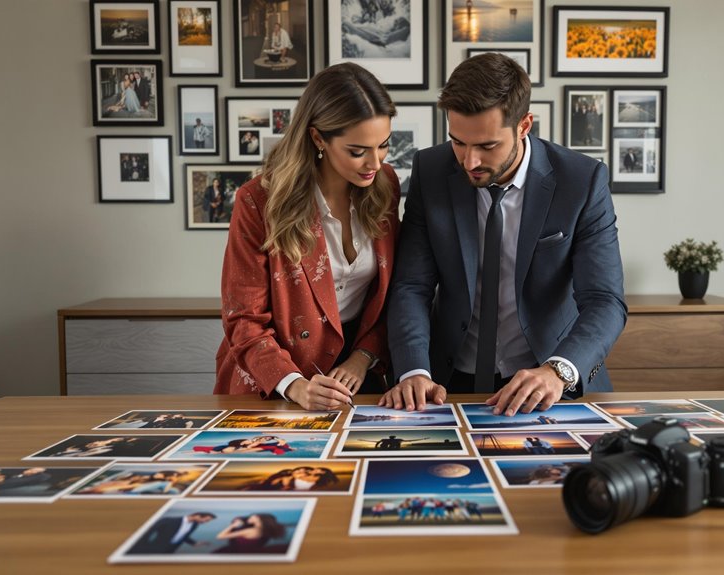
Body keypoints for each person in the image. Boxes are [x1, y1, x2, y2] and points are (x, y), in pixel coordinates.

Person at [380, 53, 626, 417]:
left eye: (486, 145)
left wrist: (559, 370)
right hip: (445, 383)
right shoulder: (431, 171)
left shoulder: (581, 181)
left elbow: (605, 300)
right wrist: (414, 369)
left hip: (550, 382)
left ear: (524, 125)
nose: (469, 161)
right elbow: (411, 286)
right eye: (458, 142)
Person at [215, 63, 401, 411]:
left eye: (384, 146)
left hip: (357, 376)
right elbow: (243, 318)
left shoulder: (385, 185)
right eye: (357, 151)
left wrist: (363, 357)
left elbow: (390, 292)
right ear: (318, 138)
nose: (374, 163)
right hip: (274, 381)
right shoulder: (259, 201)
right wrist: (295, 385)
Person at [128, 512, 217, 554]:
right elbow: (148, 532)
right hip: (154, 548)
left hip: (170, 550)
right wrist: (142, 546)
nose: (205, 522)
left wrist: (194, 543)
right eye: (206, 520)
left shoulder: (194, 525)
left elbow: (184, 535)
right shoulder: (168, 521)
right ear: (197, 515)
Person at [214, 513, 285, 554]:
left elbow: (220, 536)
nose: (249, 517)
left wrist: (233, 526)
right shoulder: (266, 530)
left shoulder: (250, 531)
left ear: (257, 518)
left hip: (238, 553)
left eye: (252, 516)